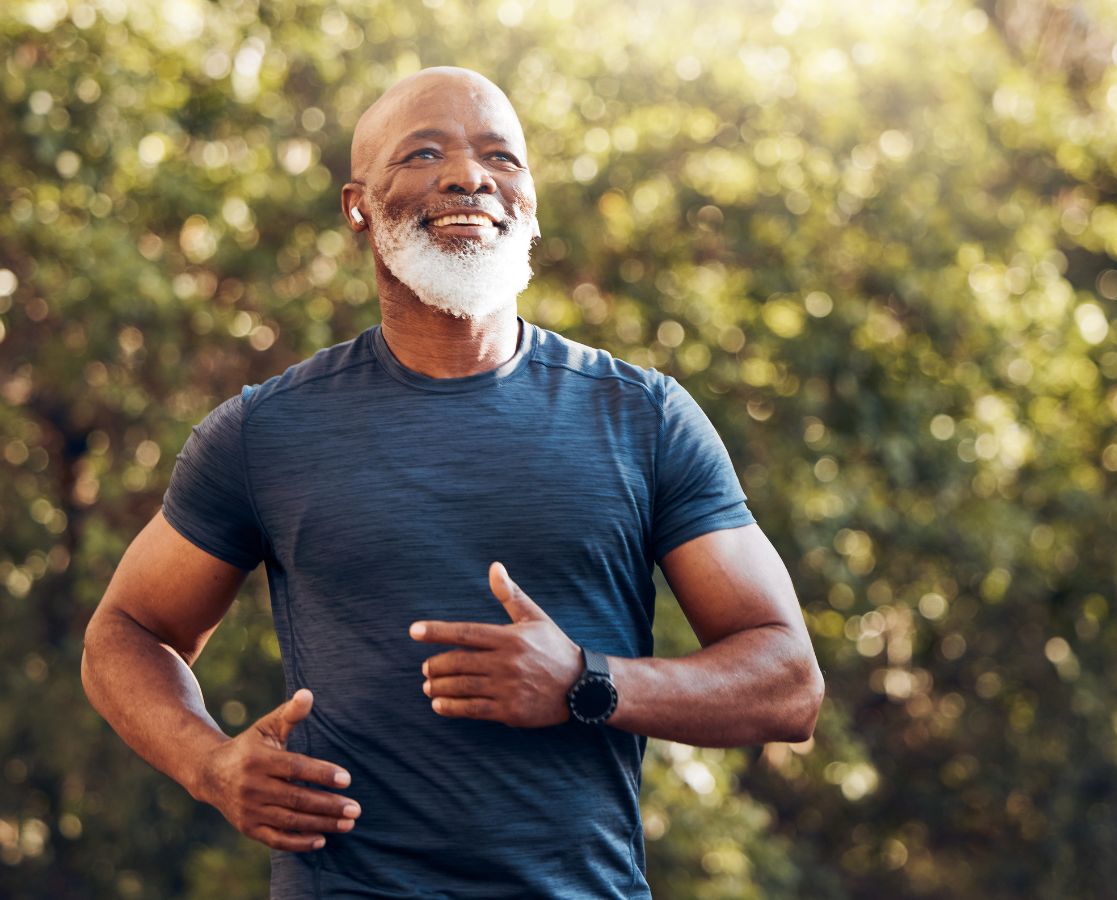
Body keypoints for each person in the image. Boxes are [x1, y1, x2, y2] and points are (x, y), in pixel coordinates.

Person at [81, 66, 824, 899]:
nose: (469, 176)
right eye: (423, 153)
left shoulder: (643, 418)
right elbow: (128, 630)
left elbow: (788, 683)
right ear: (357, 205)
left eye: (501, 157)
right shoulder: (266, 430)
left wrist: (586, 681)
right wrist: (209, 765)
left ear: (530, 199)